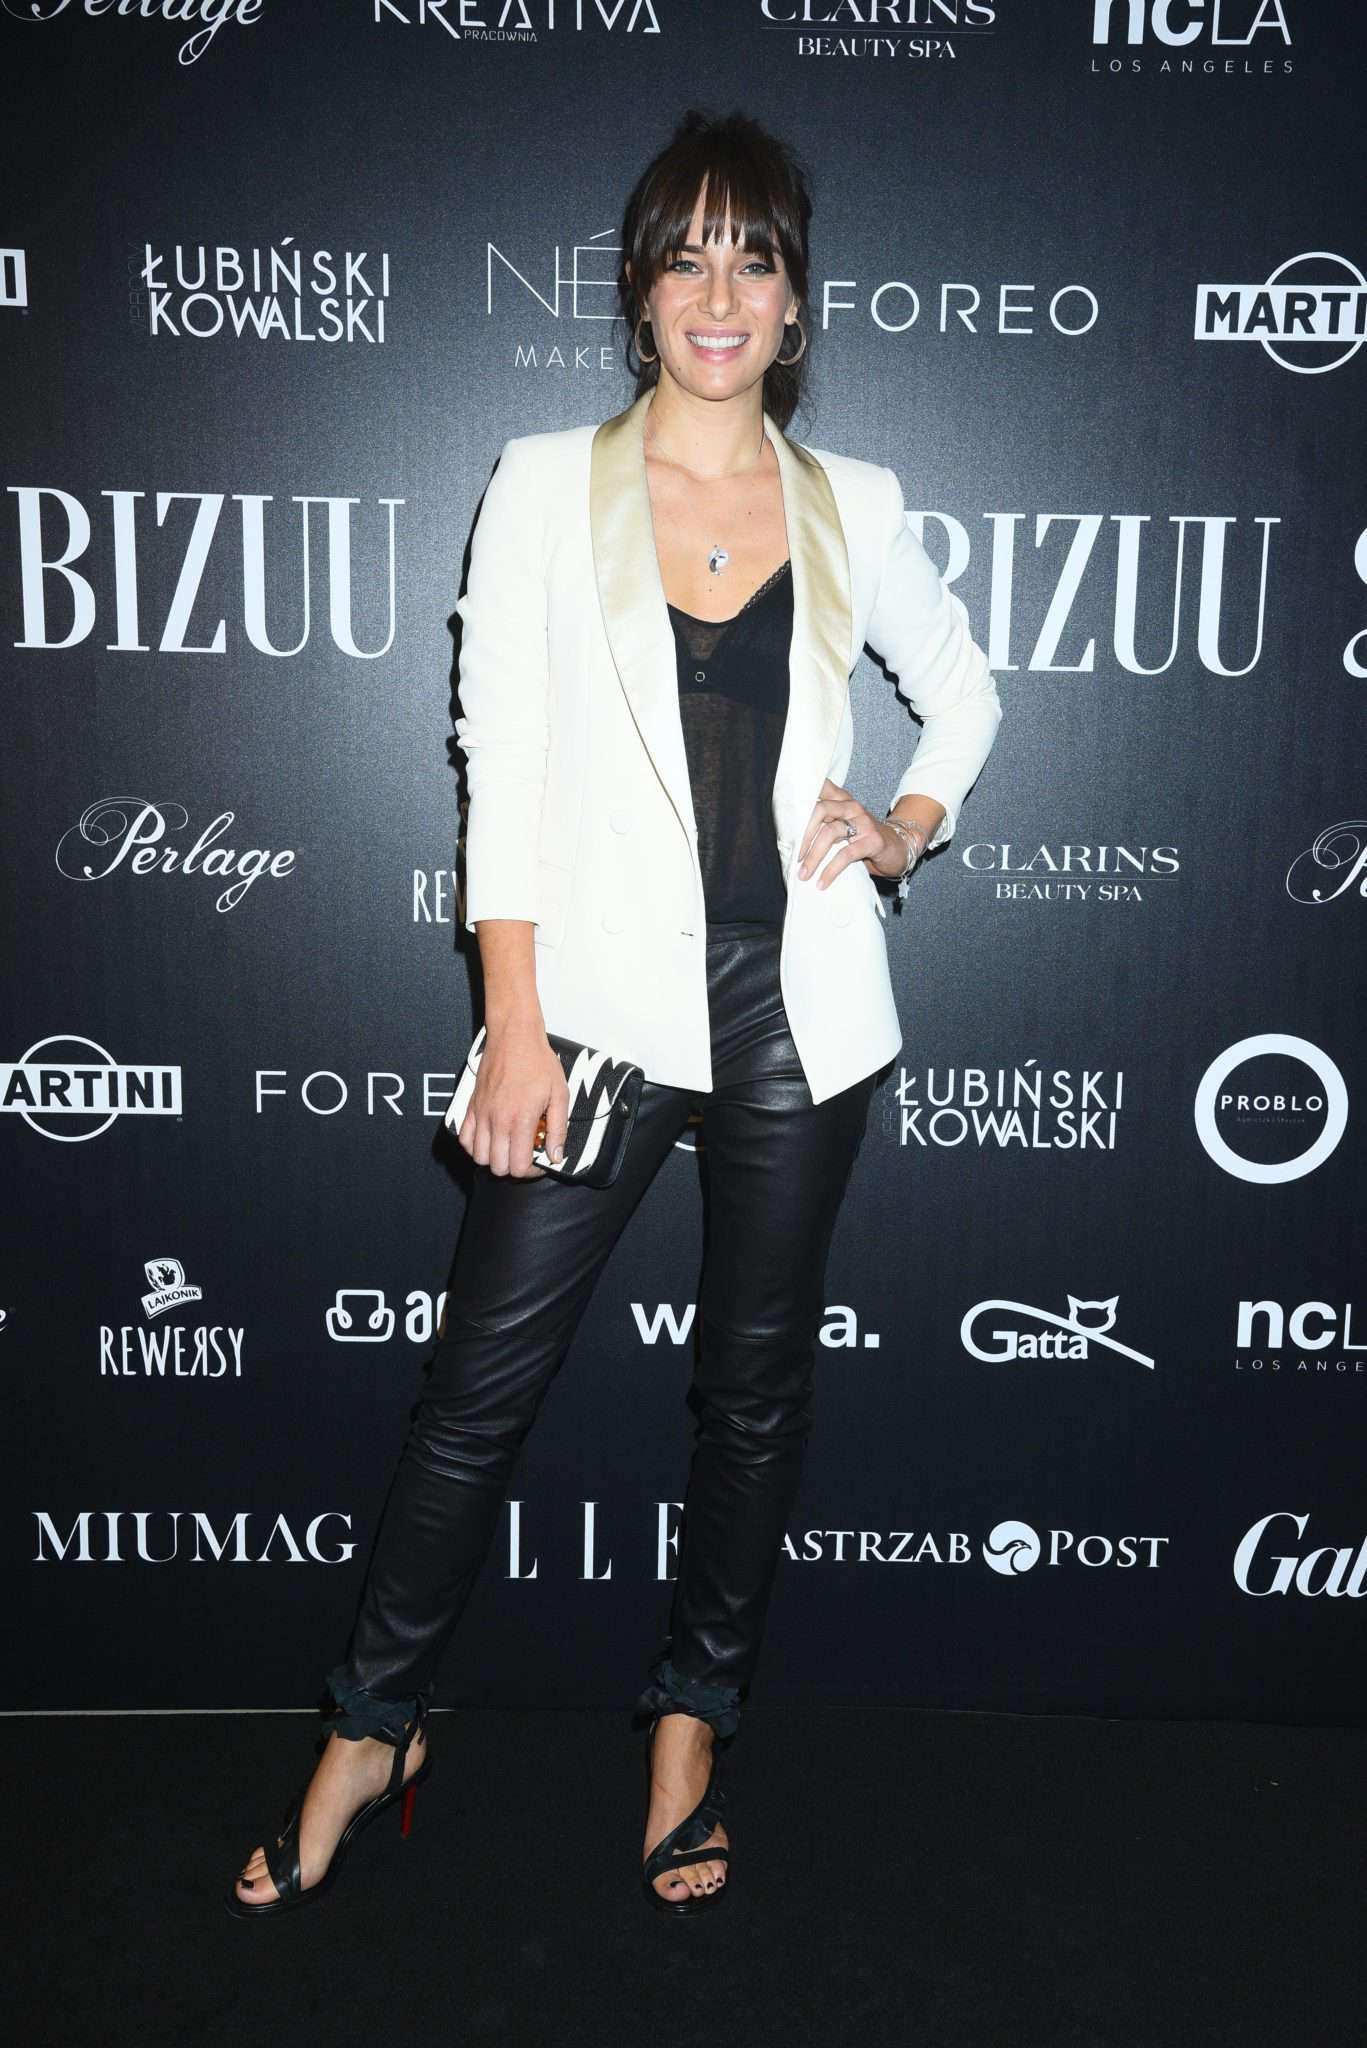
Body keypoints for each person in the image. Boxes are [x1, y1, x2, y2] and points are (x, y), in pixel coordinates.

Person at [228, 106, 1003, 1922]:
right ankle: (369, 1726)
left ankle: (690, 1725)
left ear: (795, 301)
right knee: (475, 1394)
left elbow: (963, 692)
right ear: (640, 291)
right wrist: (512, 1023)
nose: (720, 294)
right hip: (590, 1014)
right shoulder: (540, 483)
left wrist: (903, 823)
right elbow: (495, 756)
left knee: (752, 1395)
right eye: (688, 257)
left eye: (757, 259)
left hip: (803, 1015)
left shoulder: (856, 502)